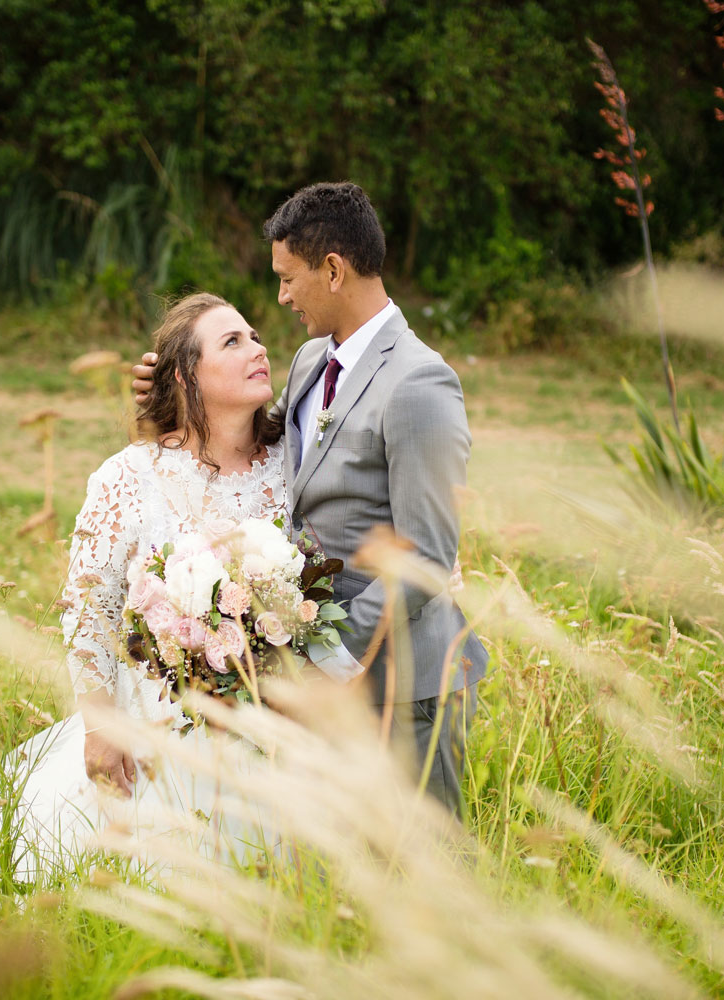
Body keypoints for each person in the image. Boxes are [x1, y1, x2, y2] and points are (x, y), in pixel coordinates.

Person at [133, 182, 488, 814]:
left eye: (288, 278)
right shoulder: (307, 361)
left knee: (425, 873)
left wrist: (316, 656)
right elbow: (264, 452)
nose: (282, 296)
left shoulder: (419, 383)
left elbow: (426, 556)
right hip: (327, 697)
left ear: (332, 269)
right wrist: (170, 395)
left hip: (404, 687)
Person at [0, 292, 328, 881]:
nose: (259, 348)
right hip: (162, 723)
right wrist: (100, 727)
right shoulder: (129, 476)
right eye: (232, 341)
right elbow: (88, 610)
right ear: (185, 376)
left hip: (273, 720)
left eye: (255, 336)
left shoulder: (293, 465)